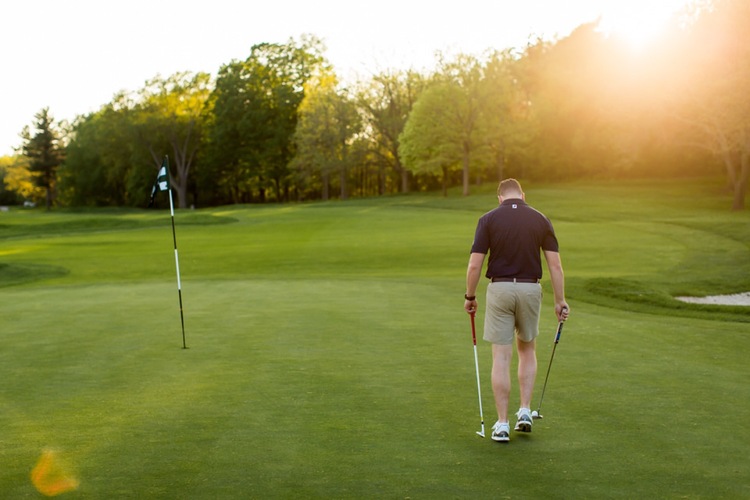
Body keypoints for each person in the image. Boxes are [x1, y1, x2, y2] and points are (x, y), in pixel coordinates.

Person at [463, 178, 569, 443]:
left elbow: (475, 265)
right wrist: (560, 301)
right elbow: (555, 266)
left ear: (499, 197)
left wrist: (470, 297)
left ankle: (501, 425)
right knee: (527, 349)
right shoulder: (541, 219)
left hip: (500, 290)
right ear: (523, 195)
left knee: (501, 356)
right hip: (530, 289)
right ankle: (524, 410)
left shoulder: (488, 219)